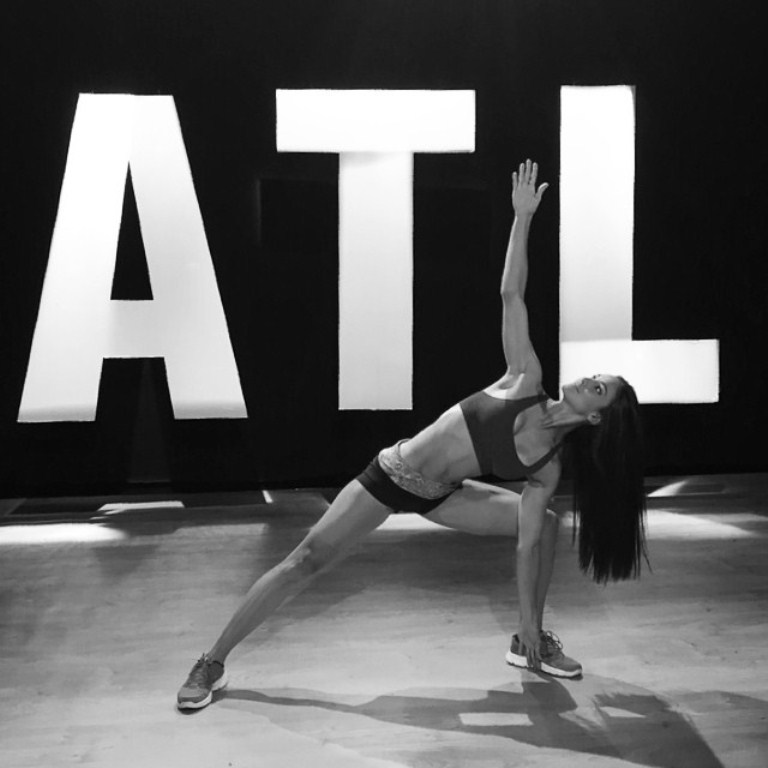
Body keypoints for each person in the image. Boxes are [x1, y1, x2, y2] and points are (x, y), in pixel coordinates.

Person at [176, 159, 648, 711]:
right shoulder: (526, 379)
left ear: (597, 419)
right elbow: (511, 294)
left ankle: (529, 639)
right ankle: (212, 661)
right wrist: (522, 219)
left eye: (599, 389)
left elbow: (526, 548)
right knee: (305, 561)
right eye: (596, 376)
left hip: (443, 496)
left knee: (543, 524)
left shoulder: (547, 468)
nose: (589, 380)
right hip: (393, 474)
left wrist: (525, 616)